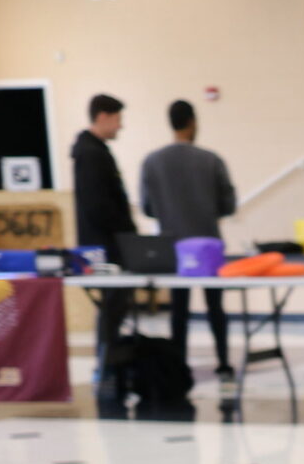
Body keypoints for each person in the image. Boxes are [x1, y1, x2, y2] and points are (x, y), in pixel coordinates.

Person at [139, 99, 237, 387]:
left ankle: (178, 362)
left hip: (173, 246)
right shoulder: (211, 160)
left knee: (178, 310)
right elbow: (228, 204)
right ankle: (223, 362)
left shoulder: (152, 161)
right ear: (192, 122)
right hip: (208, 244)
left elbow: (146, 207)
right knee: (215, 307)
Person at [71, 93, 135, 396]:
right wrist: (125, 232)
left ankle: (110, 360)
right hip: (104, 247)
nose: (120, 126)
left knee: (115, 306)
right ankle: (105, 362)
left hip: (108, 243)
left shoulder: (95, 151)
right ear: (103, 116)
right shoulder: (90, 153)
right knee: (112, 307)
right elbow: (100, 206)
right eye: (118, 119)